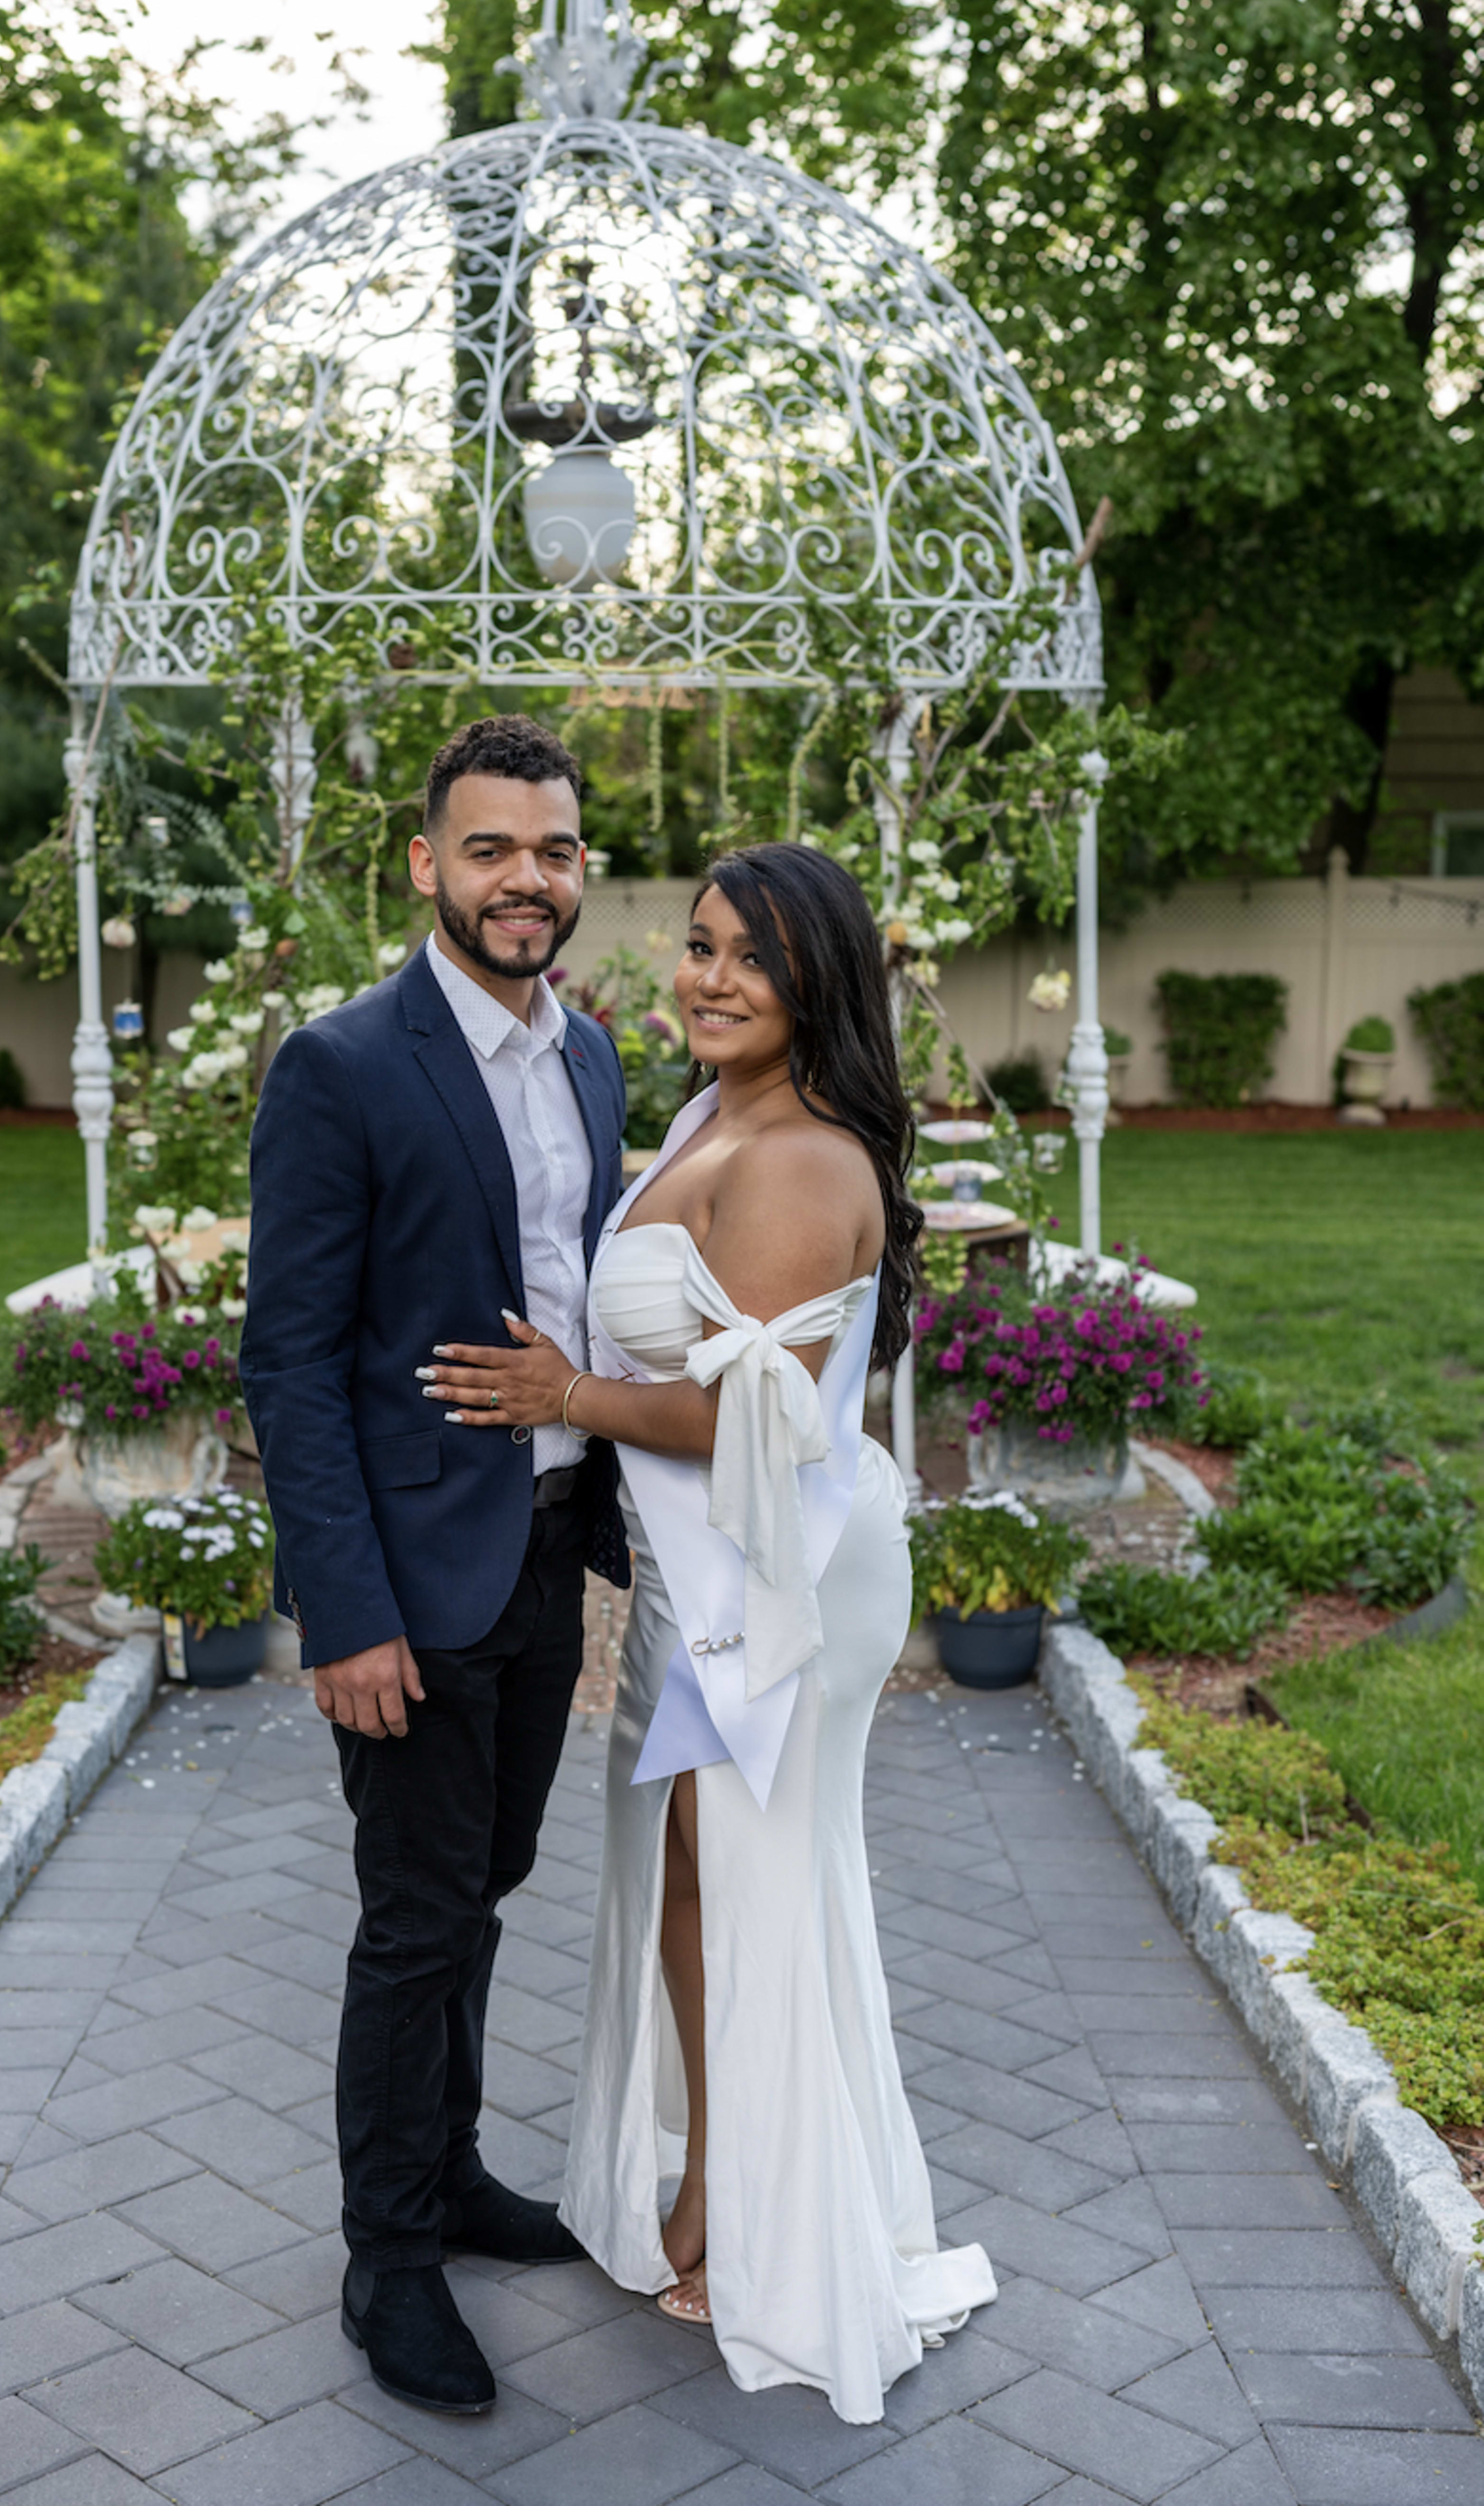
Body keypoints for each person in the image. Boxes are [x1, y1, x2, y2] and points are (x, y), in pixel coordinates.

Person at [420, 840, 997, 2425]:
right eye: (698, 944)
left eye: (753, 955)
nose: (712, 977)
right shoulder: (703, 1118)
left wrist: (571, 1398)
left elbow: (775, 1424)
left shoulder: (808, 1160)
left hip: (784, 1577)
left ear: (821, 981)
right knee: (691, 1873)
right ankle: (719, 2179)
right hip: (707, 1579)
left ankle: (745, 2215)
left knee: (754, 1877)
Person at [240, 714, 629, 2419]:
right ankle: (387, 2260)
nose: (522, 880)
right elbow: (291, 1361)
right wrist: (346, 1612)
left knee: (490, 1882)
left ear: (579, 867)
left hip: (550, 1557)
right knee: (414, 1921)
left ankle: (455, 2174)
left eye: (550, 850)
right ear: (426, 865)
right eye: (489, 850)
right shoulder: (344, 1065)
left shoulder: (595, 1058)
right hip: (407, 1580)